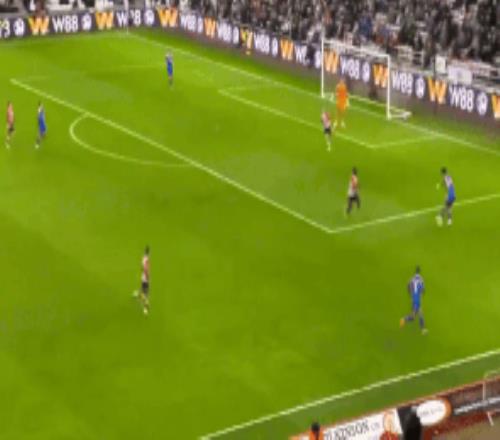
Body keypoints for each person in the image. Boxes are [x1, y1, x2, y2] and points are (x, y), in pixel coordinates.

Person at [400, 266, 428, 335]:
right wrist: (422, 292)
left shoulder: (411, 279)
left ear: (415, 272)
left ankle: (423, 329)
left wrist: (410, 292)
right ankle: (404, 319)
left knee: (419, 313)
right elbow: (423, 290)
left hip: (413, 297)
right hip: (417, 299)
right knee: (414, 316)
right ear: (420, 272)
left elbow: (408, 286)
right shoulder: (421, 280)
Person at [133, 246, 150, 315]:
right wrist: (147, 276)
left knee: (143, 288)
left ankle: (137, 294)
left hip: (143, 277)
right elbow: (146, 268)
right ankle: (145, 308)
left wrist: (144, 273)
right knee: (146, 293)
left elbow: (142, 267)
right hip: (145, 278)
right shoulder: (147, 260)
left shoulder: (143, 258)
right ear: (149, 252)